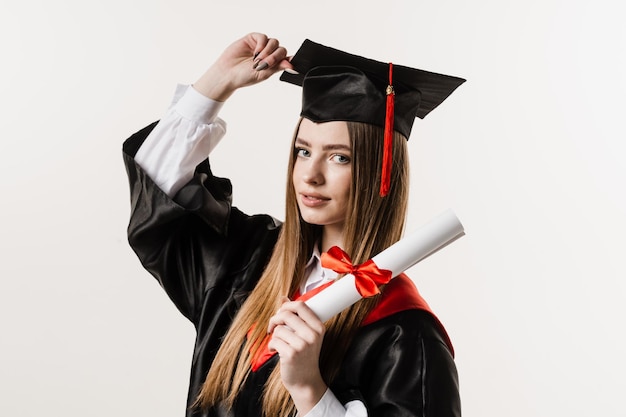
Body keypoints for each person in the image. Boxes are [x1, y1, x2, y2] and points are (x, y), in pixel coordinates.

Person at [123, 33, 465, 417]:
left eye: (340, 158)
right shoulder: (247, 258)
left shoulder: (406, 334)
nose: (310, 176)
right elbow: (157, 199)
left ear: (379, 174)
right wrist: (217, 83)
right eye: (303, 151)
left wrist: (311, 391)